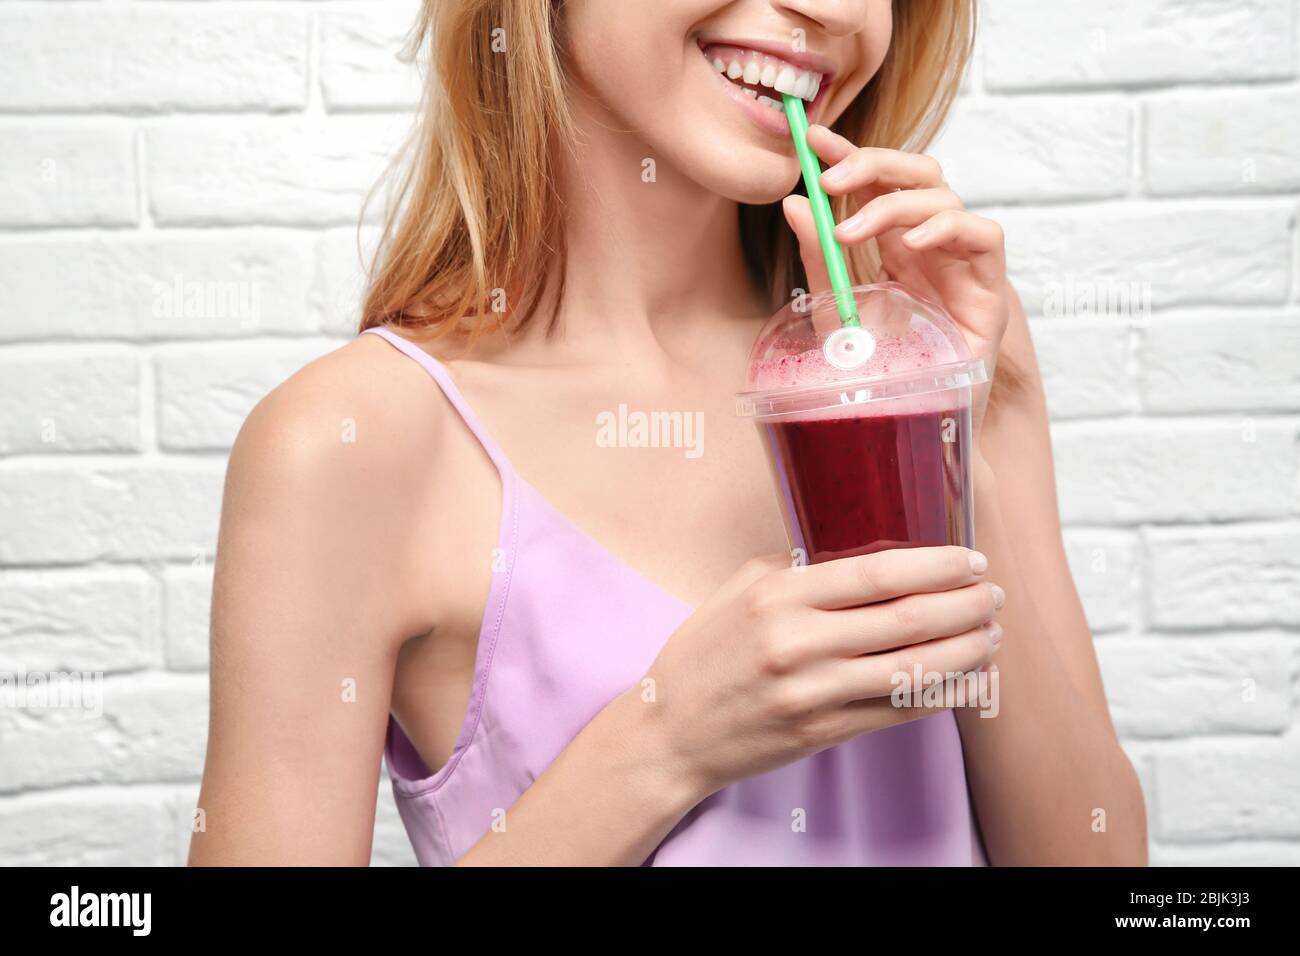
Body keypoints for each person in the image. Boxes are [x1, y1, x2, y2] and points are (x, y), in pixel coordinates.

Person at [190, 0, 1147, 866]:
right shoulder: (352, 443)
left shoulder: (940, 334)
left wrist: (944, 439)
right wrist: (668, 741)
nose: (838, 10)